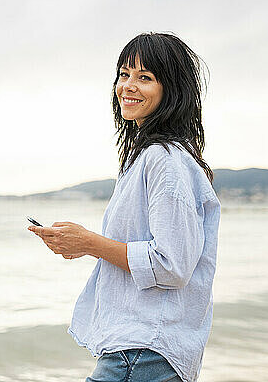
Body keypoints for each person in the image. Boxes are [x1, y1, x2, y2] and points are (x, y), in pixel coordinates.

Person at [27, 32, 221, 382]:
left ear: (171, 89)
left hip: (143, 354)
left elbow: (171, 265)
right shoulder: (146, 159)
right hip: (142, 353)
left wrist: (90, 243)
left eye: (144, 77)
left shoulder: (165, 160)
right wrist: (82, 246)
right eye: (124, 74)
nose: (128, 86)